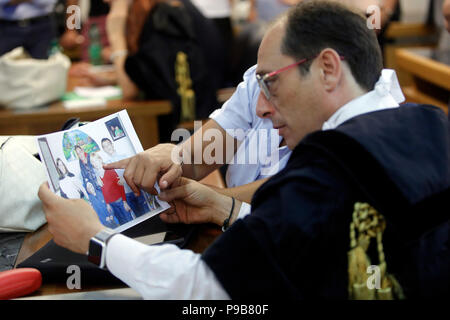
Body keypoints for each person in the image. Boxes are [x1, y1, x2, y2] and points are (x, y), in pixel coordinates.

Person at [39, 1, 449, 299]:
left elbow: (206, 287)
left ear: (327, 69)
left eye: (271, 82)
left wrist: (95, 240)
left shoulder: (330, 167)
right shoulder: (431, 125)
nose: (259, 106)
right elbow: (306, 232)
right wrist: (225, 209)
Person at [100, 137, 152, 216]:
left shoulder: (125, 156)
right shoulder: (107, 165)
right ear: (104, 150)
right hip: (125, 196)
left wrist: (125, 178)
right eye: (105, 146)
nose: (108, 147)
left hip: (135, 190)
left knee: (148, 213)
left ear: (112, 144)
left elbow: (136, 171)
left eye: (108, 144)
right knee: (138, 217)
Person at [90, 151, 133, 226]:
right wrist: (107, 204)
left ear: (100, 160)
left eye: (96, 160)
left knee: (130, 222)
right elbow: (103, 192)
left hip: (120, 202)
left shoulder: (110, 170)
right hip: (112, 205)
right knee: (123, 224)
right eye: (93, 162)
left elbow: (120, 186)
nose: (95, 163)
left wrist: (124, 202)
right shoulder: (97, 176)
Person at [74, 145, 111, 227]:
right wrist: (87, 184)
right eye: (78, 153)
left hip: (100, 181)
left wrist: (98, 177)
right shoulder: (80, 162)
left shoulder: (90, 156)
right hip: (94, 187)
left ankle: (112, 218)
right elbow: (84, 175)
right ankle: (107, 222)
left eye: (80, 152)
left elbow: (97, 165)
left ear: (83, 150)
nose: (80, 154)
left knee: (108, 201)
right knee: (101, 204)